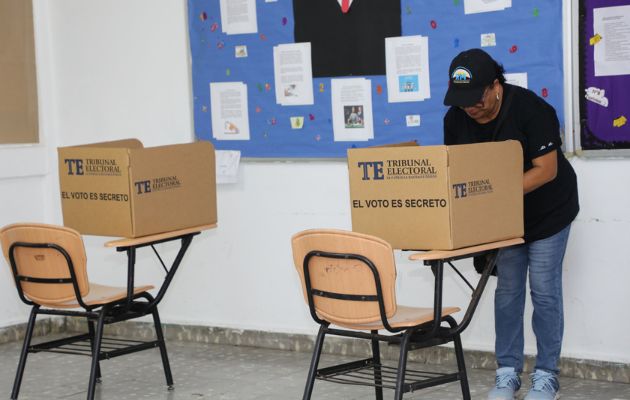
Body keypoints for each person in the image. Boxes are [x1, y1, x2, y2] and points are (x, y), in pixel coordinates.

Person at [443, 48, 579, 400]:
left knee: (545, 292)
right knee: (507, 293)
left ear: (494, 86)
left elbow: (546, 170)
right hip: (503, 218)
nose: (469, 107)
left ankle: (547, 375)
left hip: (549, 212)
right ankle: (507, 373)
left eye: (475, 98)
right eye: (461, 100)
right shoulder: (455, 119)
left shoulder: (531, 110)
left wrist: (493, 192)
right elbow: (457, 173)